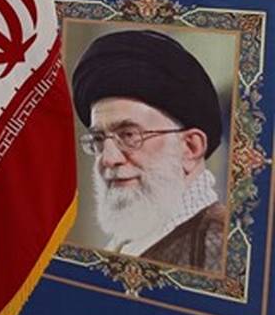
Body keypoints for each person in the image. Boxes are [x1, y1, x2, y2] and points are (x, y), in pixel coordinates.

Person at [72, 29, 228, 270]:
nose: (108, 159)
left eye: (129, 135)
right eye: (99, 139)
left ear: (190, 148)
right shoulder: (130, 239)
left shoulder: (218, 248)